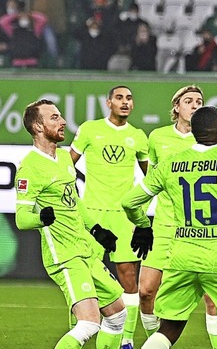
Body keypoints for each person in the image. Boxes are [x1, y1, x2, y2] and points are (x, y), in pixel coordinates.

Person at [120, 105, 217, 349]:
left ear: (193, 132)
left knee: (168, 330)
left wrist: (142, 225)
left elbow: (129, 201)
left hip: (181, 259)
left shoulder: (171, 164)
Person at [15, 99, 128, 348]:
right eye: (54, 117)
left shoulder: (65, 158)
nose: (63, 121)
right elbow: (22, 219)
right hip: (64, 255)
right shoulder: (29, 167)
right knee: (89, 323)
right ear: (37, 126)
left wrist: (97, 230)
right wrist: (40, 218)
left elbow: (74, 201)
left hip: (85, 249)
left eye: (60, 116)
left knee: (119, 313)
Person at [138, 86, 217, 348]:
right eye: (189, 101)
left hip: (199, 230)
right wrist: (142, 221)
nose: (195, 105)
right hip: (164, 227)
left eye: (199, 101)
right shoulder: (157, 137)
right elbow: (151, 181)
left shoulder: (212, 138)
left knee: (212, 297)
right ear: (176, 107)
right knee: (145, 292)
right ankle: (155, 342)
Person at [70, 85, 149, 349]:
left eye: (129, 98)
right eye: (119, 98)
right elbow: (66, 166)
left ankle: (125, 339)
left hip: (123, 216)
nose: (125, 102)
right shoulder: (89, 130)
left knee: (128, 278)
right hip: (92, 215)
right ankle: (79, 333)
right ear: (108, 103)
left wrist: (141, 218)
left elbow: (153, 179)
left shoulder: (138, 136)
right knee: (83, 274)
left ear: (133, 105)